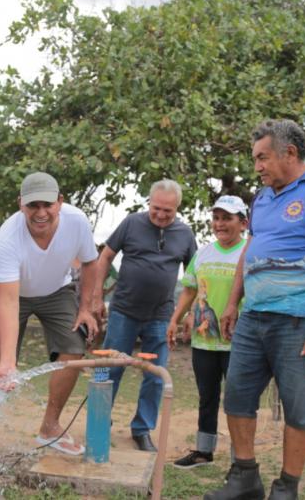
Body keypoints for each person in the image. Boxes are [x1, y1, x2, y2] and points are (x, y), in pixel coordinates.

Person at [206, 120, 305, 500]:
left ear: (289, 153)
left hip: (301, 321)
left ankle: (287, 487)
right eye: (255, 158)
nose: (256, 166)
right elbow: (250, 252)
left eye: (262, 157)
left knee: (299, 407)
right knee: (238, 398)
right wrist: (232, 302)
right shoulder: (262, 198)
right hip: (254, 317)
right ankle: (244, 478)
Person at [0, 172, 98, 465]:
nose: (41, 213)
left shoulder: (77, 222)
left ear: (60, 202)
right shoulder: (7, 237)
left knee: (74, 350)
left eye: (47, 205)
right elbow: (9, 300)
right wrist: (7, 362)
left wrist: (86, 308)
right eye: (33, 206)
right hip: (8, 291)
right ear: (21, 205)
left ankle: (50, 427)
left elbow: (90, 262)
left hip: (57, 290)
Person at [94, 179, 197, 452]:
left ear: (177, 208)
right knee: (110, 369)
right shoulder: (131, 223)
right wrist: (96, 297)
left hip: (162, 317)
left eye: (168, 211)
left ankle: (142, 429)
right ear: (149, 203)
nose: (161, 215)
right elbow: (105, 257)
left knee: (154, 375)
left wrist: (190, 313)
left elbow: (194, 277)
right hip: (123, 312)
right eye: (157, 209)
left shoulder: (185, 234)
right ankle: (99, 424)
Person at [167, 195, 248, 468]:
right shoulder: (203, 253)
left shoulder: (250, 251)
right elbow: (190, 289)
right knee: (207, 397)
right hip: (204, 341)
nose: (220, 224)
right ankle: (204, 451)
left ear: (243, 222)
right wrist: (176, 318)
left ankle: (242, 459)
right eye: (216, 218)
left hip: (239, 341)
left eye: (227, 218)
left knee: (240, 401)